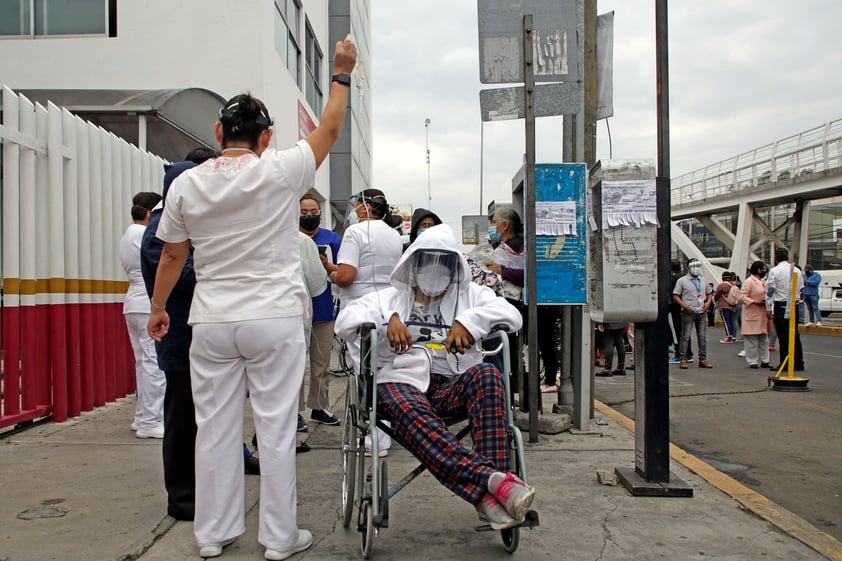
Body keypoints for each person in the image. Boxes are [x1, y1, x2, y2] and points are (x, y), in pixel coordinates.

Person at [147, 38, 356, 561]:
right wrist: (341, 73)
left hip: (212, 320)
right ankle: (279, 538)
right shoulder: (280, 170)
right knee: (277, 428)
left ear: (218, 133)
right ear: (266, 138)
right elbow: (329, 128)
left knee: (213, 429)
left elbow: (172, 256)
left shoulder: (187, 185)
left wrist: (156, 307)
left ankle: (212, 535)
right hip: (275, 317)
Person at [334, 224, 535, 530]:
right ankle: (493, 488)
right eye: (428, 261)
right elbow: (345, 321)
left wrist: (469, 322)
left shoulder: (471, 295)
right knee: (403, 400)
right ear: (413, 264)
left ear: (455, 267)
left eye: (444, 262)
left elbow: (512, 315)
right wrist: (388, 320)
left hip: (451, 385)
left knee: (488, 375)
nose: (435, 269)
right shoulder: (388, 298)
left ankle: (490, 491)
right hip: (401, 384)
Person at [141, 156, 261, 521]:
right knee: (182, 422)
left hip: (200, 336)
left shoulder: (183, 224)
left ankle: (204, 489)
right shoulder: (161, 230)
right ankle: (181, 497)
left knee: (206, 417)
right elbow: (183, 273)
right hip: (180, 339)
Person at [328, 188, 402, 455]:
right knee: (387, 369)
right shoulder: (394, 235)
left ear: (365, 208)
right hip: (391, 308)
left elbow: (347, 276)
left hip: (362, 310)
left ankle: (376, 438)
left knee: (367, 371)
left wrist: (331, 274)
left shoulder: (356, 233)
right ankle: (389, 428)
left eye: (358, 206)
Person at [486, 208, 560, 394]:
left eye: (494, 222)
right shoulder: (499, 248)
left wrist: (503, 270)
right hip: (515, 305)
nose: (491, 227)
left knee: (541, 340)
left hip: (532, 304)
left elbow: (530, 274)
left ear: (505, 225)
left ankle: (548, 379)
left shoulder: (521, 246)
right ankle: (516, 383)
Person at [120, 191, 165, 439]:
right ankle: (150, 419)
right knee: (154, 364)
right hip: (147, 300)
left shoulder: (128, 234)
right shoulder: (145, 233)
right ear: (149, 213)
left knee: (142, 363)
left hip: (133, 301)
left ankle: (142, 417)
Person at [298, 193, 342, 429]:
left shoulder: (332, 238)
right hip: (296, 309)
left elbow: (342, 270)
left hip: (324, 307)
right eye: (304, 213)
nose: (309, 217)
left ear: (320, 214)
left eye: (313, 213)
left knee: (321, 361)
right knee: (293, 364)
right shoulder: (288, 237)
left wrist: (327, 265)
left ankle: (319, 405)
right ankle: (293, 411)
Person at [294, 231, 328, 453]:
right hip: (289, 317)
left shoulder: (243, 231)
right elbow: (317, 284)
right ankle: (285, 437)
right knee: (286, 379)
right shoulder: (301, 241)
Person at [766, 248, 805, 372]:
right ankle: (799, 362)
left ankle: (785, 363)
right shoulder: (797, 270)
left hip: (781, 305)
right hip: (795, 304)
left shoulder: (774, 271)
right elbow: (801, 288)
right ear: (787, 258)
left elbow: (770, 291)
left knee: (783, 336)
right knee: (795, 334)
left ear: (776, 258)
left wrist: (768, 307)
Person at [673, 259, 713, 369]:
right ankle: (683, 358)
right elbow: (676, 295)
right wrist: (684, 305)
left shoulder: (703, 280)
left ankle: (703, 359)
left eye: (698, 266)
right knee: (685, 336)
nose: (696, 268)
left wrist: (708, 303)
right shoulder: (682, 281)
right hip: (688, 311)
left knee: (702, 337)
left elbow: (709, 293)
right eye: (694, 266)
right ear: (689, 268)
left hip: (701, 311)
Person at [740, 261, 771, 369]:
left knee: (764, 339)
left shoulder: (763, 281)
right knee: (751, 340)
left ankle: (765, 360)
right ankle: (752, 361)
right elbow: (742, 296)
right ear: (758, 270)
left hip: (762, 313)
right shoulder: (749, 281)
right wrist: (754, 302)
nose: (764, 271)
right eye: (762, 269)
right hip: (752, 312)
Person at [668, 259, 692, 364]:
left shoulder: (672, 279)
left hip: (674, 308)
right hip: (686, 307)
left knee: (676, 332)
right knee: (686, 332)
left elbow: (670, 294)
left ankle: (679, 354)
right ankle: (689, 353)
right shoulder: (686, 278)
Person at [713, 272, 738, 343]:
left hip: (724, 305)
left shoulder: (722, 285)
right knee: (732, 321)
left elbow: (717, 295)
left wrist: (715, 300)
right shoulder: (733, 285)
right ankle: (733, 336)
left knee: (726, 322)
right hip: (733, 305)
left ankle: (729, 337)